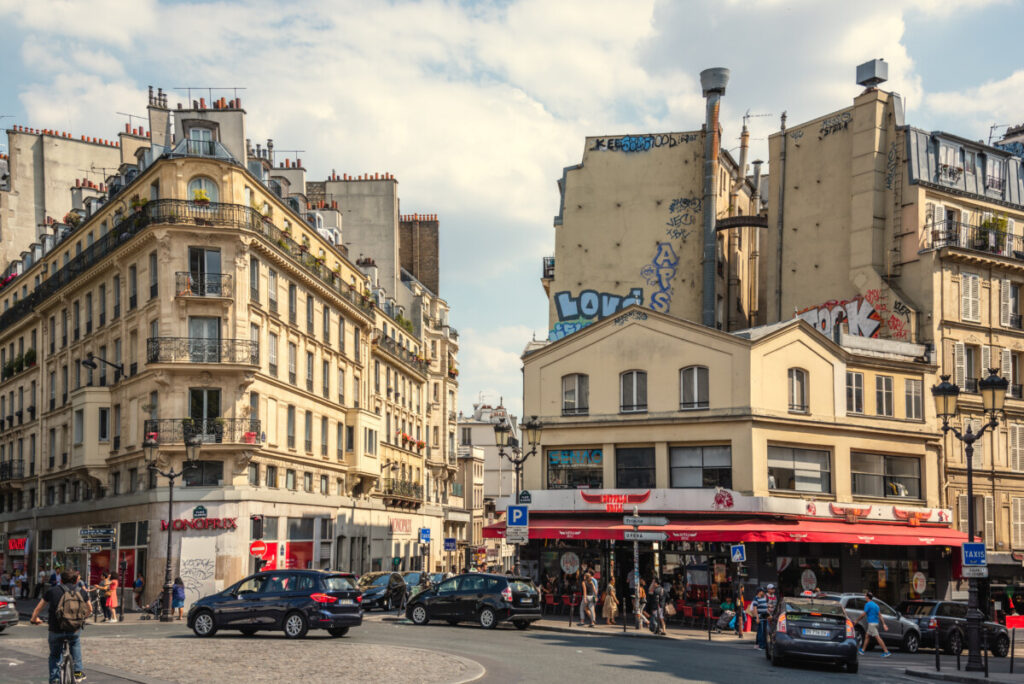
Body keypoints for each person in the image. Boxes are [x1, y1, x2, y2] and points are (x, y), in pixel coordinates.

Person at [30, 568, 91, 684]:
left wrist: (34, 619)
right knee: (75, 642)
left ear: (61, 580)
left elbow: (38, 609)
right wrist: (81, 619)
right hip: (74, 628)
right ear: (76, 580)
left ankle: (55, 679)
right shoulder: (82, 592)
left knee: (54, 655)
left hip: (56, 628)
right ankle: (78, 671)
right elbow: (90, 609)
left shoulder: (52, 591)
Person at [858, 591, 891, 657]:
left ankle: (886, 651)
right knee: (867, 636)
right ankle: (863, 650)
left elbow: (863, 614)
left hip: (871, 624)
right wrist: (884, 624)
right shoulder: (876, 605)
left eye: (865, 596)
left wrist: (857, 620)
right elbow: (880, 615)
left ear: (867, 597)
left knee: (877, 637)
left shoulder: (867, 604)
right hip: (876, 623)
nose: (865, 597)